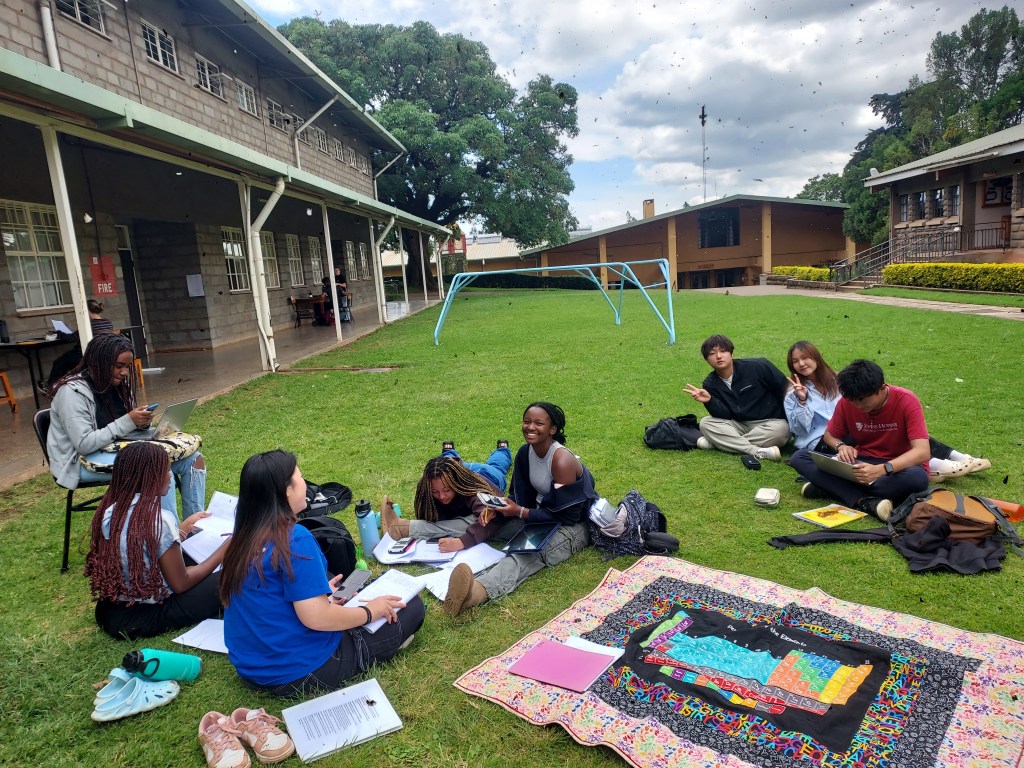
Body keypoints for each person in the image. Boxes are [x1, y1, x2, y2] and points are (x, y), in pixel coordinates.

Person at [221, 450, 423, 697]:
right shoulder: (294, 539)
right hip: (301, 671)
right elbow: (316, 619)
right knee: (411, 605)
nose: (305, 484)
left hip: (251, 669)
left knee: (362, 589)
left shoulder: (240, 540)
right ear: (286, 491)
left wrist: (322, 599)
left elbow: (268, 602)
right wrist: (370, 612)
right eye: (300, 477)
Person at [440, 402, 598, 617]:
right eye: (527, 421)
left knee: (524, 554)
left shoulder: (562, 461)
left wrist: (520, 512)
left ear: (552, 429)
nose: (530, 427)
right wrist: (498, 509)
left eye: (539, 423)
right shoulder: (525, 453)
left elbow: (568, 515)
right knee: (485, 521)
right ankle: (408, 528)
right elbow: (517, 495)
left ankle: (474, 593)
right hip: (538, 516)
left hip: (572, 526)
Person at [47, 333, 207, 518]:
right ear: (98, 362)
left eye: (127, 367)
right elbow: (84, 444)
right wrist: (128, 421)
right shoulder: (72, 393)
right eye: (118, 366)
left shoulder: (114, 385)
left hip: (113, 449)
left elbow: (117, 427)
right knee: (156, 467)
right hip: (80, 462)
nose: (124, 372)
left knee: (194, 458)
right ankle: (168, 533)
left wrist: (140, 423)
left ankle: (195, 528)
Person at [784, 340, 991, 480]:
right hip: (822, 441)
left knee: (904, 435)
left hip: (852, 434)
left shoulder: (840, 381)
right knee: (804, 457)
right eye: (795, 361)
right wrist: (802, 400)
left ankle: (956, 457)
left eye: (805, 357)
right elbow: (800, 430)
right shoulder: (794, 392)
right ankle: (936, 466)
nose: (801, 364)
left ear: (816, 357)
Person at [85, 442, 226, 639]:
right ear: (150, 477)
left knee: (195, 558)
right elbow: (181, 583)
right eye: (166, 470)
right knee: (235, 574)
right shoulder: (159, 519)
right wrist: (225, 550)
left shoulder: (111, 511)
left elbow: (144, 548)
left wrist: (183, 528)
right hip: (149, 614)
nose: (170, 475)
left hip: (110, 611)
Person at [789, 359, 931, 520]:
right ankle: (866, 501)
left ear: (881, 388)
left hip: (896, 467)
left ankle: (829, 487)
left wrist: (881, 470)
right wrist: (841, 446)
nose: (857, 405)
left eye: (862, 399)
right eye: (852, 400)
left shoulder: (906, 400)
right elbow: (829, 435)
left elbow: (922, 452)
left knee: (917, 479)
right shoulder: (847, 402)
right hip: (862, 463)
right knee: (800, 457)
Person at [683, 334, 790, 461]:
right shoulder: (710, 383)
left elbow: (785, 388)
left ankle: (717, 444)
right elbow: (725, 415)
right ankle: (756, 451)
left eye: (723, 351)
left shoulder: (758, 366)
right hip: (739, 425)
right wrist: (710, 401)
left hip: (770, 422)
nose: (718, 356)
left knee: (782, 430)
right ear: (707, 360)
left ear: (731, 353)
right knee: (706, 423)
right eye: (712, 353)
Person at [381, 453, 507, 554]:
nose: (441, 496)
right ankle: (449, 450)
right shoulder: (429, 484)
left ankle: (502, 449)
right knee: (445, 462)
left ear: (455, 484)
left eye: (446, 490)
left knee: (497, 465)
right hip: (455, 469)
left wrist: (462, 541)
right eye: (434, 492)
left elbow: (490, 518)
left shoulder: (473, 488)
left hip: (489, 474)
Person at [43, 299, 115, 392]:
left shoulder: (88, 325)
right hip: (102, 353)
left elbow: (71, 338)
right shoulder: (107, 322)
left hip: (86, 354)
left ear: (86, 311)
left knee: (59, 363)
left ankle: (51, 387)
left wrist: (59, 333)